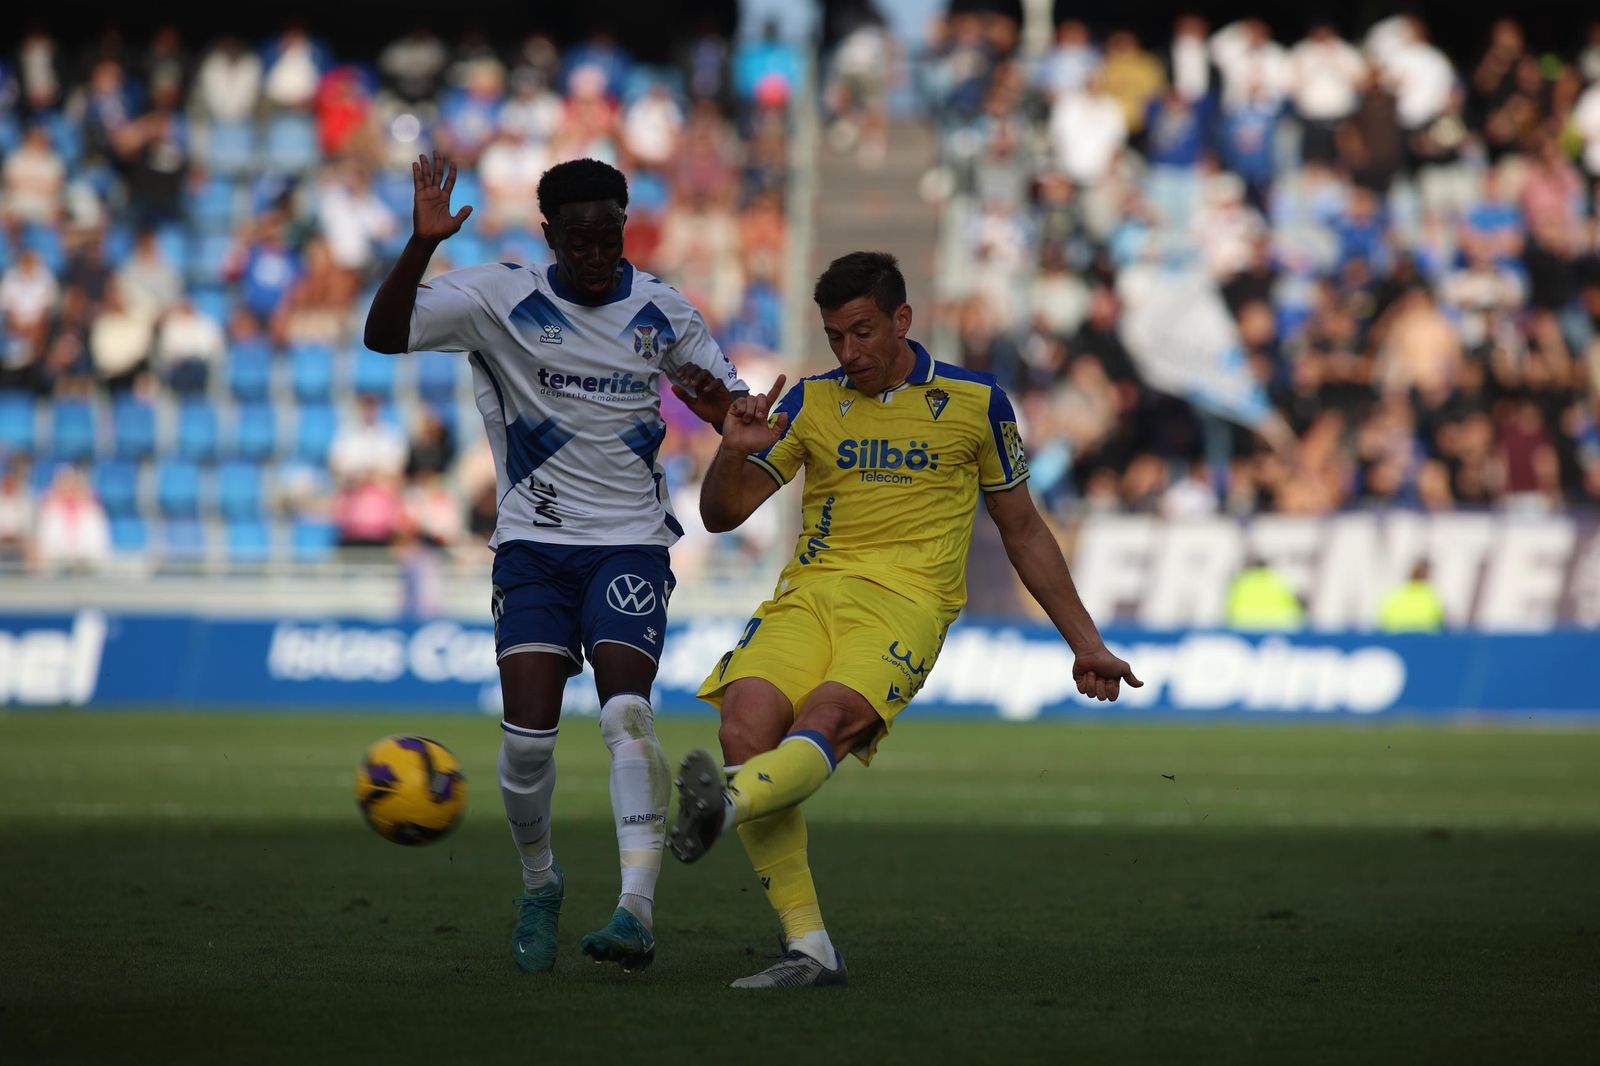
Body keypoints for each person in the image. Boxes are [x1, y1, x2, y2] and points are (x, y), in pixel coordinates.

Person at [667, 252, 1140, 988]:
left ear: (902, 319)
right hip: (808, 596)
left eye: (861, 333)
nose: (848, 353)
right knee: (744, 728)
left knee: (828, 719)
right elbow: (722, 515)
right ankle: (810, 949)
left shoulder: (977, 402)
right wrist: (731, 452)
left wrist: (1087, 644)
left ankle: (724, 807)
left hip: (907, 604)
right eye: (834, 338)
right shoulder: (808, 403)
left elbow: (1023, 529)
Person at [364, 153, 746, 974]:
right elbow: (383, 334)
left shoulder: (664, 313)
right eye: (580, 238)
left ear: (625, 229)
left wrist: (743, 424)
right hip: (533, 549)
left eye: (611, 235)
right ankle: (540, 884)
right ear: (550, 236)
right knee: (530, 743)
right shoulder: (498, 297)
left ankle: (634, 913)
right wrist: (421, 246)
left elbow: (724, 408)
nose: (599, 252)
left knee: (625, 715)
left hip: (631, 543)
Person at [1378, 561, 1445, 632]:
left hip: (1396, 639)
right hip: (1425, 640)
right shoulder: (1432, 596)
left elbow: (1383, 623)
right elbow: (1441, 624)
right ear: (1427, 577)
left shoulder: (1394, 595)